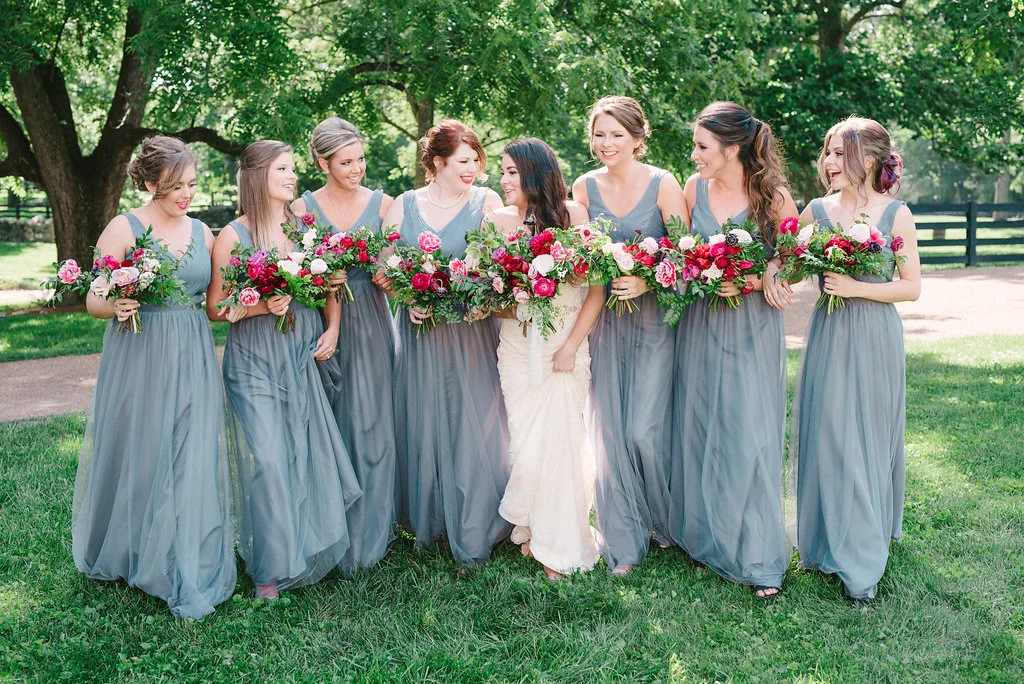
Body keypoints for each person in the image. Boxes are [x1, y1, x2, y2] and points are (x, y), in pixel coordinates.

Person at [72, 135, 235, 618]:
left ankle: (185, 554)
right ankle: (130, 549)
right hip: (139, 353)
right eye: (175, 186)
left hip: (193, 353)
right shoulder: (123, 228)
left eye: (190, 184)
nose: (186, 194)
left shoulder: (204, 233)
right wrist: (115, 302)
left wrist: (271, 295)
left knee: (190, 450)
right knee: (142, 446)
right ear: (147, 183)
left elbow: (215, 308)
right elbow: (92, 300)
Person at [209, 140, 361, 599]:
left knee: (303, 452)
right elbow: (216, 308)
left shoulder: (305, 228)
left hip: (301, 350)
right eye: (283, 169)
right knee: (271, 462)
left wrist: (333, 327)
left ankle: (306, 546)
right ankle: (269, 572)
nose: (293, 177)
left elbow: (331, 281)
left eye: (292, 168)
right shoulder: (234, 235)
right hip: (254, 360)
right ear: (257, 176)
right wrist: (260, 307)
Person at [787, 117, 920, 601]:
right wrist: (773, 274)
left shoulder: (895, 214)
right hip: (828, 333)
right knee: (829, 433)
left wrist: (858, 287)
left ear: (869, 159)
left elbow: (911, 286)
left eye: (841, 154)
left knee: (863, 435)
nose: (829, 163)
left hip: (874, 337)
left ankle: (862, 559)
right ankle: (825, 542)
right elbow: (791, 263)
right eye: (828, 153)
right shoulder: (816, 212)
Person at [668, 101, 798, 598]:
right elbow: (680, 255)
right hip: (700, 325)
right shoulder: (693, 188)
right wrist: (699, 270)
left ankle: (760, 557)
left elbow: (791, 262)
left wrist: (758, 274)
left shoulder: (774, 197)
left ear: (732, 148)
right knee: (702, 429)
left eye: (702, 146)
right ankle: (710, 544)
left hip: (752, 328)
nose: (695, 154)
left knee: (749, 434)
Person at [380, 119, 509, 566]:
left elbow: (499, 270)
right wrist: (408, 297)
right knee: (425, 415)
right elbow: (386, 269)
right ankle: (429, 519)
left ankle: (477, 523)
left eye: (477, 159)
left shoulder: (487, 202)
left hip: (470, 332)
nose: (473, 168)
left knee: (475, 421)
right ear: (437, 163)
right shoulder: (404, 204)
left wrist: (470, 294)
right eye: (463, 161)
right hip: (420, 334)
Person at [570, 96, 686, 576]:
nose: (606, 143)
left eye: (617, 134)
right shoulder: (583, 186)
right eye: (599, 133)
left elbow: (686, 254)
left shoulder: (664, 183)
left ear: (638, 138)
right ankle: (625, 537)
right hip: (605, 322)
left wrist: (648, 278)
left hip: (654, 319)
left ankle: (667, 522)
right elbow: (575, 256)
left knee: (645, 429)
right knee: (610, 431)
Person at [490, 138, 604, 580]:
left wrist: (571, 346)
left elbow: (595, 288)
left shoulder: (574, 216)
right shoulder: (498, 222)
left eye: (512, 172)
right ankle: (536, 528)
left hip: (565, 343)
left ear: (536, 174)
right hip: (517, 348)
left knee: (561, 442)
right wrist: (515, 301)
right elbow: (490, 299)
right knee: (525, 443)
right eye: (502, 172)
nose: (503, 180)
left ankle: (561, 546)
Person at [292, 118, 398, 574]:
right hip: (319, 322)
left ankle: (371, 536)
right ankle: (325, 533)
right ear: (323, 163)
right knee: (327, 424)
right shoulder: (300, 208)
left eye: (360, 159)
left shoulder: (384, 204)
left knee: (372, 424)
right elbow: (293, 270)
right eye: (346, 161)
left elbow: (397, 273)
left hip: (371, 321)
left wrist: (388, 275)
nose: (357, 169)